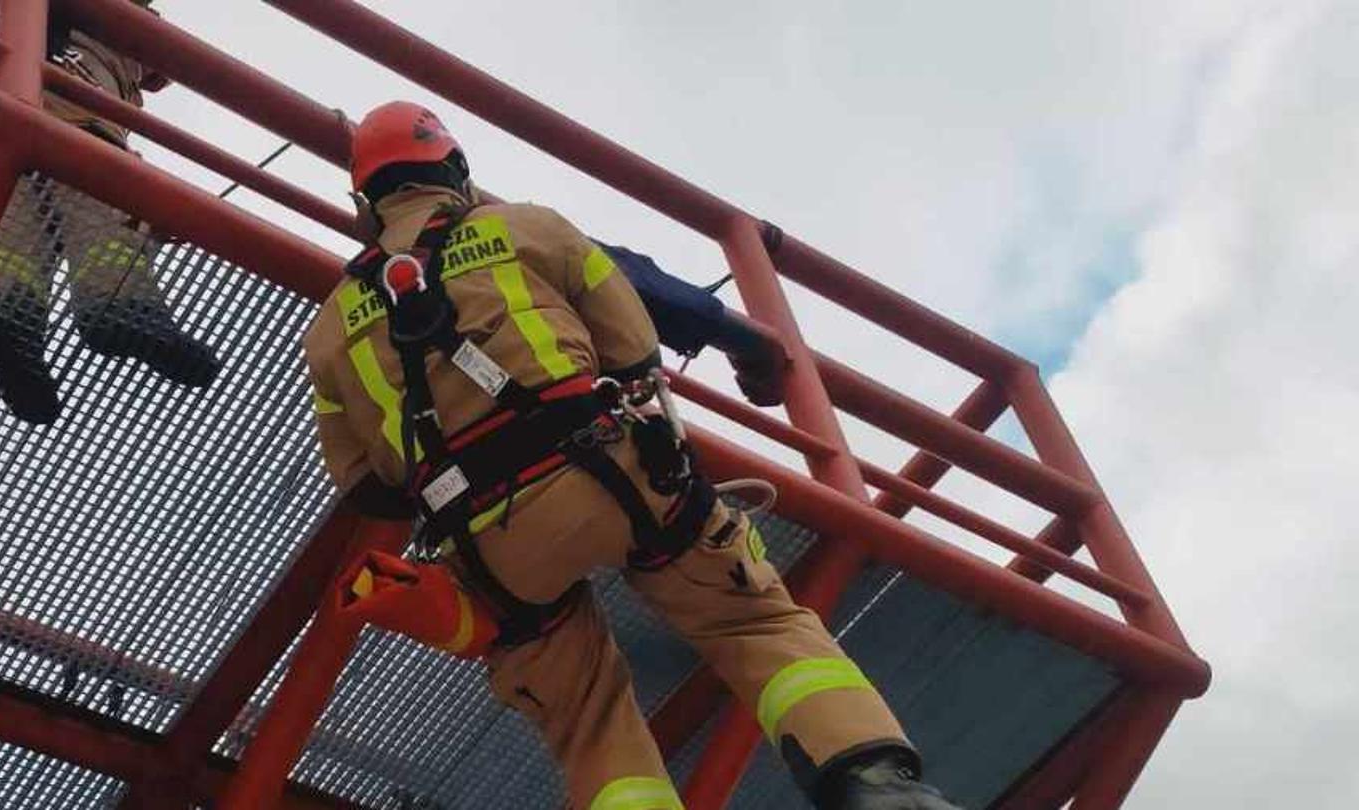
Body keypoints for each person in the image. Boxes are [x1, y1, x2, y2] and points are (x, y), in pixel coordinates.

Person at [306, 102, 960, 810]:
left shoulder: (328, 330)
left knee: (586, 717)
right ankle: (876, 788)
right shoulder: (528, 227)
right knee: (754, 622)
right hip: (610, 472)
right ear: (455, 170)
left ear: (364, 200)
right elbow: (633, 346)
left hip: (485, 540)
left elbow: (366, 485)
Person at [0, 1, 219, 425]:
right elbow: (162, 62)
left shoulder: (14, 27)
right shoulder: (120, 22)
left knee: (11, 237)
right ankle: (120, 306)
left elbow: (157, 72)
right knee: (106, 222)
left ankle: (5, 318)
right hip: (75, 113)